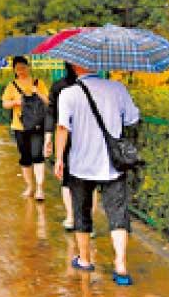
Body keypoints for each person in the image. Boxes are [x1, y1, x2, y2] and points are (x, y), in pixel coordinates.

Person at [54, 61, 140, 285]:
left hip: (80, 164)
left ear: (73, 67)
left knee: (81, 212)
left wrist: (59, 159)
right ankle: (120, 264)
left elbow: (63, 128)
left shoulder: (68, 94)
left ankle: (84, 259)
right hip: (113, 164)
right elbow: (132, 118)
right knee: (117, 213)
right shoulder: (117, 88)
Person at [44, 63, 93, 231]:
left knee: (67, 179)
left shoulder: (59, 87)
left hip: (67, 137)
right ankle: (86, 222)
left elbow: (52, 113)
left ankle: (72, 218)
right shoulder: (96, 86)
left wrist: (48, 137)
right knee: (89, 180)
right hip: (89, 137)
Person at [1, 56, 50, 200]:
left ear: (28, 67)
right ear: (14, 70)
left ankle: (40, 189)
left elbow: (48, 102)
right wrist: (15, 102)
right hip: (19, 126)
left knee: (37, 156)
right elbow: (4, 104)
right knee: (25, 158)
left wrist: (37, 92)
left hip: (36, 125)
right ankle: (30, 186)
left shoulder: (38, 83)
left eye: (23, 67)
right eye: (18, 68)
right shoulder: (12, 86)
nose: (21, 71)